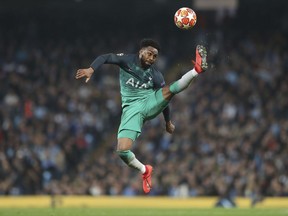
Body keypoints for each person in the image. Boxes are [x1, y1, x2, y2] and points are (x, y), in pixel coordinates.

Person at [75, 39, 208, 194]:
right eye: (150, 53)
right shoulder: (126, 60)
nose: (152, 58)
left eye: (155, 56)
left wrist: (167, 121)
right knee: (122, 151)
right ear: (141, 51)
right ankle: (145, 170)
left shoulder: (156, 75)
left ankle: (196, 70)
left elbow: (164, 100)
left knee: (169, 90)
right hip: (132, 110)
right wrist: (92, 69)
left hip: (149, 102)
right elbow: (106, 57)